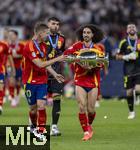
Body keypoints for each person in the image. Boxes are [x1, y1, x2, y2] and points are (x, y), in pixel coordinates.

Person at [22, 22, 65, 140]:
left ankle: (41, 132)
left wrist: (55, 74)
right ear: (40, 33)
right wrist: (58, 58)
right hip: (29, 81)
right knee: (33, 108)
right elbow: (40, 64)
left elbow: (45, 65)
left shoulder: (44, 46)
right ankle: (32, 125)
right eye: (46, 33)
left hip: (42, 80)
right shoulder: (29, 46)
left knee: (42, 105)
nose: (47, 35)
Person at [64, 24, 104, 141]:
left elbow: (101, 64)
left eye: (88, 33)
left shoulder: (98, 49)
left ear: (92, 35)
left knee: (91, 110)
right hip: (80, 80)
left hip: (93, 80)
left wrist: (91, 66)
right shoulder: (77, 46)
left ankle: (89, 125)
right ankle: (86, 131)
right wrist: (79, 60)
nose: (85, 34)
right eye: (84, 32)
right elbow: (66, 55)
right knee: (82, 107)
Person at [116, 23, 140, 119]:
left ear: (136, 30)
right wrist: (126, 56)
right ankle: (131, 112)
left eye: (133, 27)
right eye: (129, 27)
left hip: (139, 69)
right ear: (127, 31)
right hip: (128, 70)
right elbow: (117, 56)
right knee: (129, 93)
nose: (131, 28)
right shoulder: (123, 42)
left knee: (138, 89)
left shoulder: (139, 41)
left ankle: (138, 97)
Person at [46, 17, 66, 136]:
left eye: (57, 24)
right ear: (48, 24)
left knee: (57, 99)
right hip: (43, 72)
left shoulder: (62, 38)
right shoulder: (42, 38)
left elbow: (62, 53)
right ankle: (34, 125)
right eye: (53, 24)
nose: (56, 26)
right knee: (39, 103)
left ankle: (54, 127)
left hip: (57, 73)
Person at [8, 29, 24, 107]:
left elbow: (24, 55)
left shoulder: (21, 45)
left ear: (16, 36)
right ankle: (12, 98)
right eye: (9, 35)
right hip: (10, 67)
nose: (10, 36)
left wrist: (16, 55)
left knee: (18, 83)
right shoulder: (7, 45)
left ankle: (17, 96)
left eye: (12, 35)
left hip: (19, 67)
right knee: (11, 82)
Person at [0, 40, 15, 114]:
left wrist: (13, 69)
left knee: (0, 87)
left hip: (1, 70)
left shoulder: (4, 45)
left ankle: (0, 106)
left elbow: (10, 57)